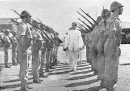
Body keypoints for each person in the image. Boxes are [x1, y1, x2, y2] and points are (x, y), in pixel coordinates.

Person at [104, 1, 124, 90]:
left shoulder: (111, 19)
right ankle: (111, 86)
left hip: (109, 45)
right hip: (112, 45)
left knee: (109, 66)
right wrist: (116, 47)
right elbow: (112, 34)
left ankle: (109, 85)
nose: (122, 9)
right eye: (121, 7)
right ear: (116, 9)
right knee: (113, 66)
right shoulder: (115, 20)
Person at [17, 10, 32, 91]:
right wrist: (23, 50)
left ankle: (25, 84)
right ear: (25, 17)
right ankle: (23, 87)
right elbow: (21, 38)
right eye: (29, 17)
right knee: (24, 68)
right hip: (24, 50)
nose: (30, 18)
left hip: (26, 49)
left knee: (26, 67)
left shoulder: (25, 25)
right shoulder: (23, 26)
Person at [96, 9, 111, 87]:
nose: (106, 18)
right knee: (103, 65)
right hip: (102, 46)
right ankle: (103, 81)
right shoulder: (102, 24)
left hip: (106, 46)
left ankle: (104, 81)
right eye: (105, 16)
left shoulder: (108, 22)